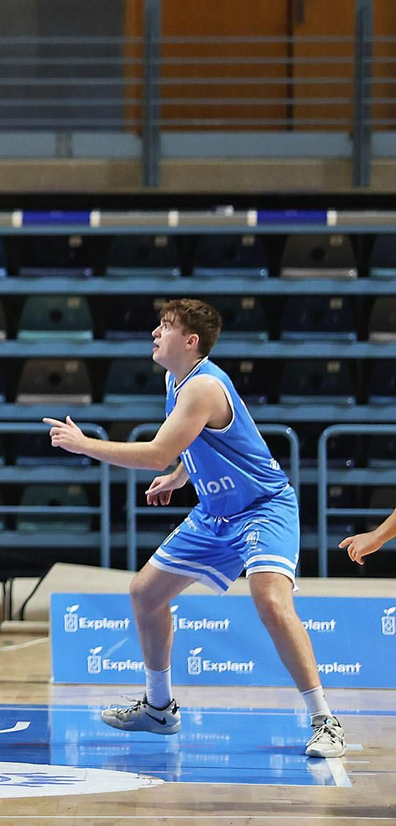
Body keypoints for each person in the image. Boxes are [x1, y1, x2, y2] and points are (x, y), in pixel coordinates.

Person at [45, 298, 345, 759]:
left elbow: (157, 452)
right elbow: (198, 441)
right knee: (145, 594)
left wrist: (86, 444)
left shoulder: (203, 385)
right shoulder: (175, 379)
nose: (154, 333)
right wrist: (183, 474)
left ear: (191, 341)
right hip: (215, 512)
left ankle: (326, 719)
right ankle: (159, 708)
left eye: (165, 326)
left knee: (269, 600)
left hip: (263, 508)